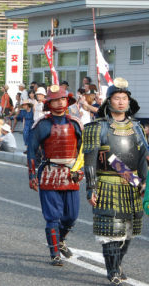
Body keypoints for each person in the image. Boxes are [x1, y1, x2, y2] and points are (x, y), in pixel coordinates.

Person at [82, 78, 148, 284]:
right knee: (111, 229)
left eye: (124, 98)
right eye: (117, 98)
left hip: (133, 183)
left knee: (129, 229)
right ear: (109, 101)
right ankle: (112, 271)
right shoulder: (97, 127)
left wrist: (144, 182)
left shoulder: (137, 127)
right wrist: (90, 187)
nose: (121, 102)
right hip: (107, 183)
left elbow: (143, 155)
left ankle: (117, 264)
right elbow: (90, 159)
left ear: (129, 102)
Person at [27, 84, 83, 266]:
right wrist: (32, 175)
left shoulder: (75, 122)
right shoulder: (42, 124)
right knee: (53, 216)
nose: (59, 102)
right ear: (48, 103)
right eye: (55, 100)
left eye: (62, 99)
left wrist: (81, 169)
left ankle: (60, 240)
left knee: (71, 217)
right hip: (49, 172)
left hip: (71, 173)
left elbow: (84, 150)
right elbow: (31, 151)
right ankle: (55, 253)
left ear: (67, 101)